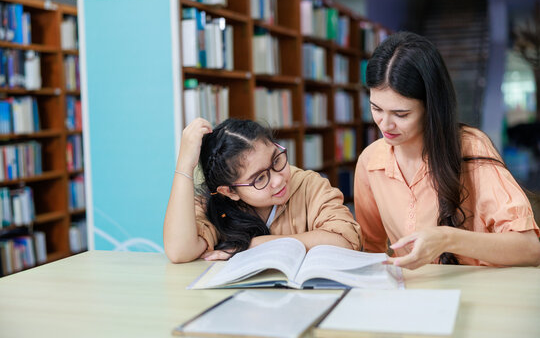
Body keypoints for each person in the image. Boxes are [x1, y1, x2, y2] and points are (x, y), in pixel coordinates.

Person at [354, 31, 540, 269]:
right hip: (415, 296)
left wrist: (447, 239)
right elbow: (372, 250)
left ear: (431, 107)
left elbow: (530, 248)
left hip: (478, 292)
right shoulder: (370, 161)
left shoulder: (470, 146)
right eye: (376, 108)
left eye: (401, 114)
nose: (385, 124)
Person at [164, 117, 361, 263]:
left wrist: (252, 246)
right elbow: (179, 251)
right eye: (259, 178)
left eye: (276, 160)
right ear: (230, 192)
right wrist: (184, 165)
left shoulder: (308, 185)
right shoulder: (214, 205)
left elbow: (345, 241)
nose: (278, 179)